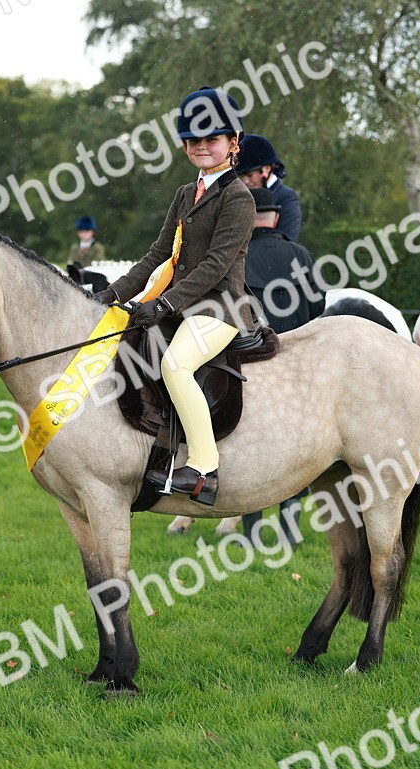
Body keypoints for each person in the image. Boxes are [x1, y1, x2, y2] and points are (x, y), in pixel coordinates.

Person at [93, 86, 257, 505]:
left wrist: (164, 304)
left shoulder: (239, 198)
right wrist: (110, 294)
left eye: (212, 139)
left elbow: (214, 266)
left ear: (233, 143)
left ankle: (204, 469)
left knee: (177, 364)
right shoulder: (186, 194)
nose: (201, 147)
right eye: (193, 140)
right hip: (184, 306)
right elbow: (157, 255)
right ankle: (157, 452)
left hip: (220, 307)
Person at [240, 187, 322, 545]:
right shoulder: (300, 254)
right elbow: (319, 306)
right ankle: (290, 531)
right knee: (298, 450)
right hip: (297, 367)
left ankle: (252, 533)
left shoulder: (236, 255)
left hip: (249, 364)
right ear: (275, 218)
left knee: (248, 450)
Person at [235, 134, 302, 242]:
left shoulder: (287, 197)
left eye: (250, 175)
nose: (245, 181)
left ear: (266, 168)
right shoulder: (240, 198)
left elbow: (288, 241)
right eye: (241, 176)